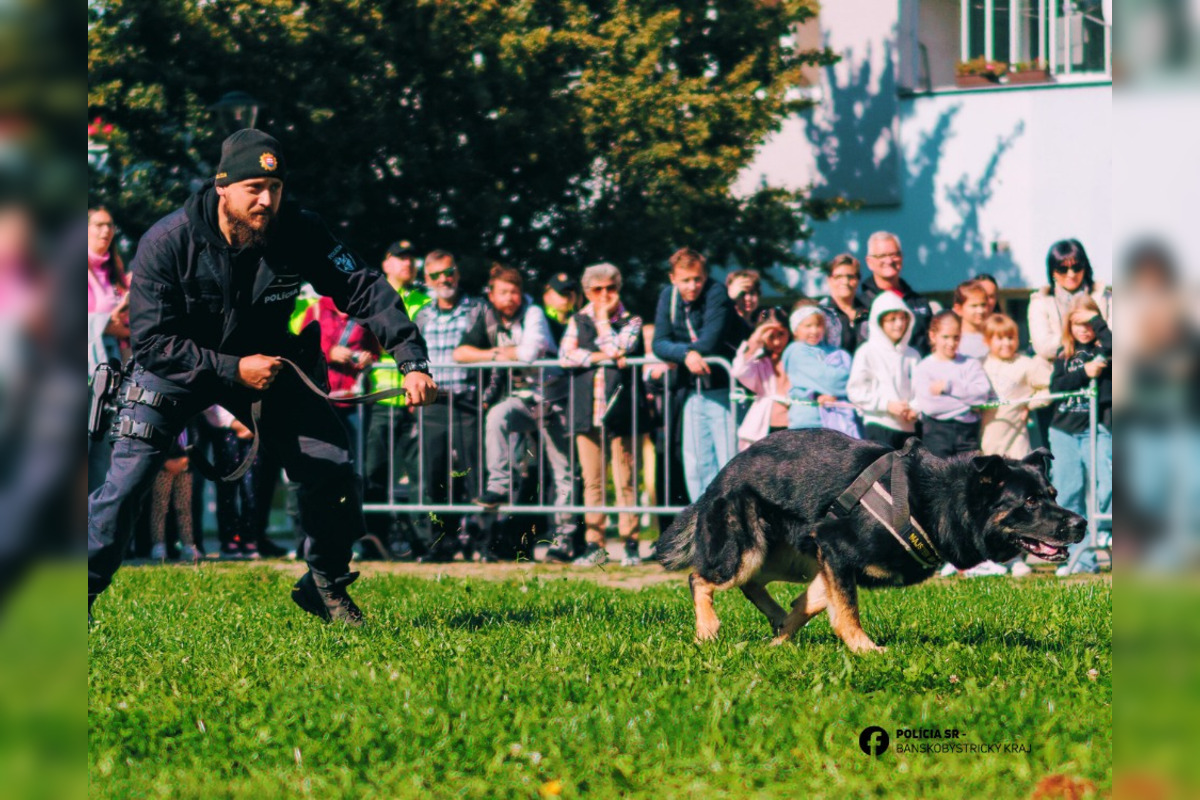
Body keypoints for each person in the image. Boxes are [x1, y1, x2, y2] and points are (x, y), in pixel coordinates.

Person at [87, 129, 437, 626]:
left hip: (268, 364)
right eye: (254, 187)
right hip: (174, 368)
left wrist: (410, 355)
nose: (266, 199)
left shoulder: (300, 229)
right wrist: (232, 368)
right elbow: (151, 344)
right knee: (126, 485)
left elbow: (361, 285)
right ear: (222, 186)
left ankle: (325, 584)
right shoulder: (166, 242)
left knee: (332, 467)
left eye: (274, 187)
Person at [457, 264, 576, 562]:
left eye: (515, 292)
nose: (510, 298)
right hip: (526, 398)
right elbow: (460, 354)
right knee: (498, 416)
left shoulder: (534, 313)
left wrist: (497, 354)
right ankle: (498, 486)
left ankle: (566, 537)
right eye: (504, 292)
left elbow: (528, 353)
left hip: (557, 398)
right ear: (492, 295)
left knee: (562, 470)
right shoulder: (486, 316)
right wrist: (497, 354)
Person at [559, 263, 644, 567]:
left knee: (626, 481)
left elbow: (623, 345)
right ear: (587, 292)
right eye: (597, 290)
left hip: (621, 410)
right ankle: (594, 545)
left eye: (611, 288)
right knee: (592, 482)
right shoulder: (577, 320)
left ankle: (630, 545)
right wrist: (600, 357)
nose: (605, 294)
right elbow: (565, 356)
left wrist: (605, 321)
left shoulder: (631, 320)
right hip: (587, 411)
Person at [652, 248, 746, 502]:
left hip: (725, 389)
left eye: (697, 279)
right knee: (697, 465)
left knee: (727, 461)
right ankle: (703, 525)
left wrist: (682, 354)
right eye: (685, 280)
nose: (692, 286)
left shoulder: (716, 293)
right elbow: (658, 343)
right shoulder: (668, 298)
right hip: (693, 391)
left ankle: (731, 524)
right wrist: (685, 354)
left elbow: (709, 343)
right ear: (673, 278)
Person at [410, 250, 485, 562]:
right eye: (437, 275)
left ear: (458, 273)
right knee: (434, 475)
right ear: (428, 279)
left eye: (449, 272)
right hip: (434, 404)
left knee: (474, 474)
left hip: (469, 400)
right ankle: (440, 542)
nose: (445, 279)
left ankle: (481, 542)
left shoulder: (478, 309)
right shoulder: (423, 315)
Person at [362, 240, 432, 559]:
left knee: (420, 474)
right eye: (400, 258)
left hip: (417, 399)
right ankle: (373, 541)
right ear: (386, 263)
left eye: (410, 258)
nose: (407, 263)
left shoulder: (425, 300)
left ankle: (424, 543)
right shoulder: (371, 296)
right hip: (383, 398)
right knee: (375, 472)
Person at [1048, 295, 1112, 576]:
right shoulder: (1064, 355)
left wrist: (1098, 324)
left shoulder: (1105, 350)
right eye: (1078, 323)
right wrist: (1084, 372)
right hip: (1063, 430)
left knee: (1107, 483)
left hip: (1095, 428)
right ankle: (1078, 557)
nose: (1085, 329)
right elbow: (1056, 387)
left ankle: (1105, 533)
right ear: (1069, 326)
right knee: (1069, 489)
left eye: (1090, 323)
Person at [1028, 240, 1113, 446]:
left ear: (1085, 267)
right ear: (1053, 272)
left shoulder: (1104, 296)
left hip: (1100, 387)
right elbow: (1043, 344)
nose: (1071, 274)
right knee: (1057, 461)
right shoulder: (1040, 301)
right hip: (1057, 387)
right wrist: (1081, 342)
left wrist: (1094, 322)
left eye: (1076, 267)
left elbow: (1113, 338)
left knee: (1101, 458)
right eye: (1062, 268)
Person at [298, 295, 381, 453]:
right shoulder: (316, 310)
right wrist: (329, 353)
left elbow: (374, 351)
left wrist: (367, 358)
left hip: (354, 399)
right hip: (322, 399)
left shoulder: (363, 313)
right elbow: (303, 349)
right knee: (321, 453)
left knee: (355, 454)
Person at [88, 207, 131, 493]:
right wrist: (106, 323)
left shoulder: (115, 272)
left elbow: (129, 324)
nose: (106, 231)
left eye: (110, 225)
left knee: (103, 458)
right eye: (99, 225)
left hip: (113, 376)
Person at [913, 310, 992, 458]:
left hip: (968, 435)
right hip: (936, 434)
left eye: (956, 337)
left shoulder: (970, 364)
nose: (951, 343)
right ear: (933, 335)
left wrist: (949, 388)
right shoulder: (924, 367)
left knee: (969, 479)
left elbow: (982, 395)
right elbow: (930, 407)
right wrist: (968, 403)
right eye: (945, 337)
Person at [847, 292, 920, 450]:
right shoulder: (866, 351)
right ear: (879, 322)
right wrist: (886, 405)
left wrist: (915, 408)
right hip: (878, 425)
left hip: (908, 427)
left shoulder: (913, 355)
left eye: (903, 318)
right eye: (892, 319)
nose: (899, 324)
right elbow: (855, 390)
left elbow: (921, 389)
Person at [980, 313, 1051, 460]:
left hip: (1015, 441)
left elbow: (1049, 387)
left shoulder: (1026, 364)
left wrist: (1030, 405)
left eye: (1011, 338)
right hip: (985, 439)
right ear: (987, 340)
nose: (1006, 343)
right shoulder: (980, 365)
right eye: (999, 338)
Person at [781, 305, 858, 437]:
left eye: (819, 325)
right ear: (795, 329)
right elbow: (829, 380)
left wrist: (837, 395)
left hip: (838, 424)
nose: (814, 330)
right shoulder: (796, 350)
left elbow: (856, 382)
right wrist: (842, 386)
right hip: (807, 422)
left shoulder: (835, 352)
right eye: (808, 326)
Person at [858, 231, 936, 356]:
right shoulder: (860, 304)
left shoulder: (919, 301)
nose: (889, 260)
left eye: (894, 254)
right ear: (869, 262)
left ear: (902, 258)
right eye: (882, 256)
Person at [731, 307, 792, 450]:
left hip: (794, 427)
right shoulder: (758, 361)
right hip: (764, 430)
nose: (777, 342)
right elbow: (739, 371)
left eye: (781, 334)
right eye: (771, 336)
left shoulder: (798, 357)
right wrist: (755, 340)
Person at [147, 429, 201, 563]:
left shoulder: (191, 421)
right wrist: (165, 460)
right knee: (160, 505)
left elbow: (196, 437)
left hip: (185, 465)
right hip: (163, 466)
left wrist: (187, 458)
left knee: (184, 506)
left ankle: (188, 544)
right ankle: (158, 544)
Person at [818, 254, 869, 353]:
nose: (845, 282)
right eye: (838, 277)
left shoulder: (868, 314)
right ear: (829, 280)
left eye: (851, 277)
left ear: (858, 280)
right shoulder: (820, 314)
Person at [952, 279, 991, 360]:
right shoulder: (954, 340)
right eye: (974, 306)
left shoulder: (992, 336)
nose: (980, 311)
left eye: (983, 305)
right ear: (958, 309)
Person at [542, 272, 581, 346]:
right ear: (547, 296)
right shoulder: (540, 321)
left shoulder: (580, 322)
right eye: (561, 293)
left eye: (569, 293)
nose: (566, 298)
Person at [725, 268, 762, 341]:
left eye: (752, 293)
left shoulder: (760, 323)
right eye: (742, 294)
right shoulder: (727, 321)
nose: (748, 298)